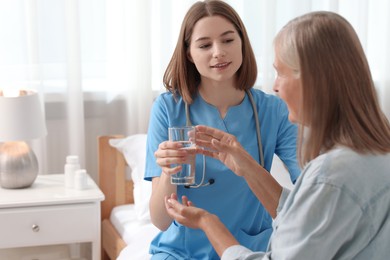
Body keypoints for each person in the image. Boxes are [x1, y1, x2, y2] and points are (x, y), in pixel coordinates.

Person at [164, 11, 390, 259]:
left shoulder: (330, 175)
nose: (275, 86)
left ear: (315, 80)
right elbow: (309, 214)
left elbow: (315, 203)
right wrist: (248, 166)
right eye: (205, 44)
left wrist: (209, 224)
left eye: (281, 73)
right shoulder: (373, 151)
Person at [145, 0, 300, 259]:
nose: (218, 52)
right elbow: (160, 221)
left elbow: (311, 187)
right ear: (188, 53)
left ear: (242, 42)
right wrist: (169, 170)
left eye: (228, 40)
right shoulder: (168, 108)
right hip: (181, 251)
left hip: (251, 249)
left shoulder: (274, 110)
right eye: (205, 45)